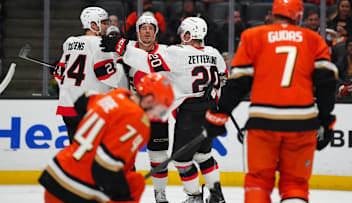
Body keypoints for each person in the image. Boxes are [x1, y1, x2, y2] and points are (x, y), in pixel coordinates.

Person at [203, 0, 338, 202]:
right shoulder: (313, 39)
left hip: (263, 122)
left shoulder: (253, 36)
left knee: (258, 182)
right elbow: (327, 81)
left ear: (273, 12)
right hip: (302, 123)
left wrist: (218, 114)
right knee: (295, 185)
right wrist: (326, 121)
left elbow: (239, 83)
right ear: (299, 15)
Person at [101, 16, 228, 203]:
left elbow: (148, 61)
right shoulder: (214, 53)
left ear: (187, 34)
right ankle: (217, 196)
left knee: (182, 160)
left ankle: (194, 197)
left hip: (190, 112)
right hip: (211, 108)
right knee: (204, 155)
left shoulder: (178, 53)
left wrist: (120, 45)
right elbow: (224, 77)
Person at [38, 73, 175, 203]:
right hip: (78, 191)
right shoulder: (138, 120)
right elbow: (105, 166)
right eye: (161, 109)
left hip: (56, 174)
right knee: (135, 183)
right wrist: (124, 197)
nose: (159, 116)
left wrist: (95, 137)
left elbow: (82, 101)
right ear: (149, 99)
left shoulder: (118, 95)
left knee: (133, 180)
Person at [53, 7, 126, 142]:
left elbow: (58, 76)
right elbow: (108, 77)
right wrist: (120, 67)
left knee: (77, 153)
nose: (107, 26)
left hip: (67, 107)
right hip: (89, 109)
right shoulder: (101, 44)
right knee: (97, 154)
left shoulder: (69, 42)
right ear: (93, 25)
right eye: (104, 23)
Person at [121, 14, 172, 203]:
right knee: (128, 151)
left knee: (158, 153)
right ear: (138, 31)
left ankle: (160, 194)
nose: (147, 31)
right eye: (143, 28)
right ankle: (129, 192)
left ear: (156, 32)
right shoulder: (126, 50)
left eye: (151, 28)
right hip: (133, 108)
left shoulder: (166, 51)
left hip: (158, 108)